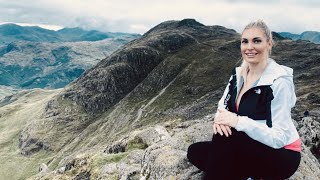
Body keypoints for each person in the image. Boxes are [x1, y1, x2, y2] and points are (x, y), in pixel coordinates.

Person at [187, 20, 301, 180]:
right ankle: (243, 174)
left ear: (269, 44)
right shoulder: (238, 75)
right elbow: (222, 107)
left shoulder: (279, 82)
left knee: (225, 139)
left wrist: (238, 122)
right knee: (195, 151)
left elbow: (279, 137)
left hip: (282, 154)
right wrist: (219, 120)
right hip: (249, 145)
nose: (249, 47)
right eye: (245, 41)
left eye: (257, 41)